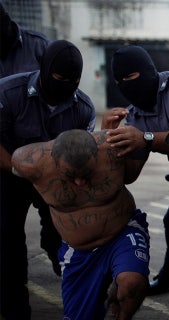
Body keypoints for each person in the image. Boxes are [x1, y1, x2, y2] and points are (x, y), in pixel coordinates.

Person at [102, 45, 169, 296]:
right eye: (119, 81)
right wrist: (107, 138)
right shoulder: (135, 115)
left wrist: (146, 138)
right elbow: (130, 174)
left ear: (148, 71)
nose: (126, 85)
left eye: (131, 77)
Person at [0, 39, 95, 319]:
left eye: (73, 80)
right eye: (59, 78)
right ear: (43, 71)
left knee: (65, 234)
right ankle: (14, 308)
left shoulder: (83, 109)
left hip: (54, 177)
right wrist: (23, 170)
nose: (66, 85)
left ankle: (69, 279)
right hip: (8, 172)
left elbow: (82, 154)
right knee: (7, 240)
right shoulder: (8, 93)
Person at [11, 129, 149, 320]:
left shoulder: (112, 150)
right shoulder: (29, 162)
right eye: (70, 175)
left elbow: (142, 144)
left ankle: (122, 314)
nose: (79, 182)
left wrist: (144, 137)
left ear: (97, 155)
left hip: (122, 232)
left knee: (132, 282)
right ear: (53, 161)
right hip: (78, 250)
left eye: (86, 174)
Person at [0, 2, 62, 278]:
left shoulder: (39, 47)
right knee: (6, 233)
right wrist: (14, 167)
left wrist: (50, 162)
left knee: (58, 224)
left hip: (45, 159)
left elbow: (64, 94)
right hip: (4, 160)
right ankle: (14, 306)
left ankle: (64, 266)